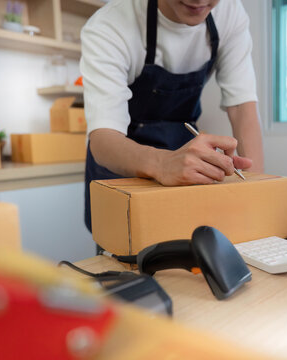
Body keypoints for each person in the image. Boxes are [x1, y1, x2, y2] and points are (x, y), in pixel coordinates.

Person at [80, 0, 264, 232]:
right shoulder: (109, 26)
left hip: (181, 152)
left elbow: (242, 107)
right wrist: (162, 164)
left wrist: (257, 192)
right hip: (121, 160)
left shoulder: (229, 12)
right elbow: (103, 141)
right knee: (121, 254)